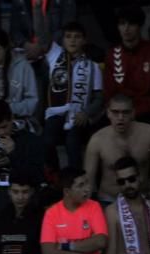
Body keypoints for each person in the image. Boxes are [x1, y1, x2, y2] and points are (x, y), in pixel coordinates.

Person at [41, 21, 102, 171]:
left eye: (77, 37)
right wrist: (36, 9)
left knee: (72, 142)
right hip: (56, 112)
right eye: (68, 36)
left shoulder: (93, 66)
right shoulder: (55, 56)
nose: (73, 40)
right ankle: (54, 177)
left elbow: (99, 97)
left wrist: (87, 113)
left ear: (84, 40)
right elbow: (42, 35)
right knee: (47, 141)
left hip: (78, 116)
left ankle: (76, 178)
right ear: (62, 40)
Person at [83, 94, 150, 204]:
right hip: (109, 199)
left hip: (142, 198)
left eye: (125, 112)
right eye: (115, 112)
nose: (120, 117)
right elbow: (88, 180)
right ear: (108, 113)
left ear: (133, 113)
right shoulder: (97, 140)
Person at [0, 100, 45, 213]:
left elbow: (37, 176)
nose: (1, 132)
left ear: (12, 118)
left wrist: (13, 154)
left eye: (4, 126)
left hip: (24, 197)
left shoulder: (30, 140)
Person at [102, 5, 150, 125]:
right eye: (122, 24)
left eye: (131, 24)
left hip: (147, 112)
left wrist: (137, 111)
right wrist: (121, 113)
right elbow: (109, 92)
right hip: (120, 114)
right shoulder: (111, 55)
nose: (126, 28)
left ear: (139, 26)